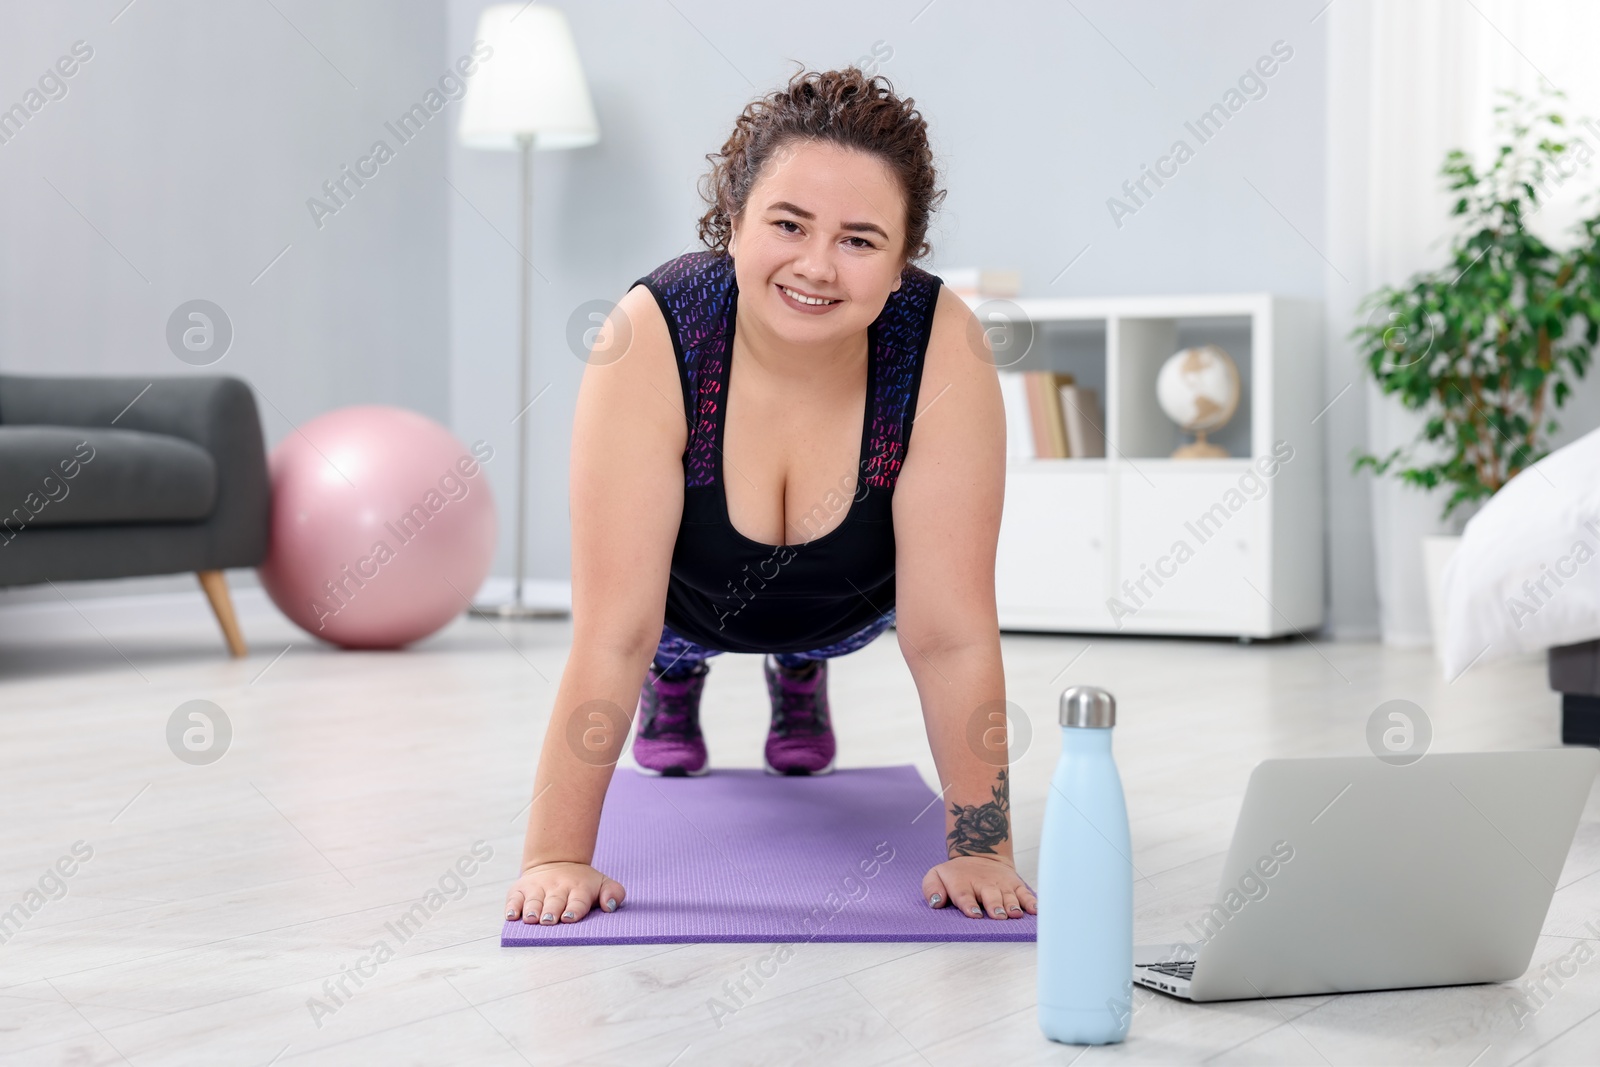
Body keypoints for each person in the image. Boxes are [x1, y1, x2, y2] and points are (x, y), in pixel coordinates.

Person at [505, 65, 1035, 927]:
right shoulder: (653, 332)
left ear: (903, 263)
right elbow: (614, 632)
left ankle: (801, 666)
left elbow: (948, 635)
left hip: (849, 604)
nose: (817, 267)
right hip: (683, 609)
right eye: (788, 224)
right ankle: (676, 684)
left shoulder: (943, 346)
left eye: (861, 240)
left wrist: (983, 845)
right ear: (734, 223)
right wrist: (555, 856)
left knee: (821, 637)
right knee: (657, 648)